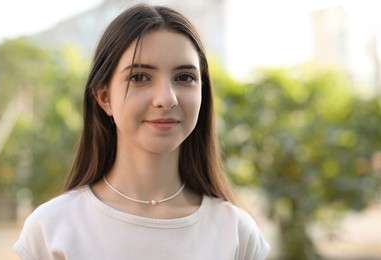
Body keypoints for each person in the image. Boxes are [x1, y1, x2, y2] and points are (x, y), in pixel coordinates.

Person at [14, 3, 270, 260]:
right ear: (104, 97)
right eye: (139, 77)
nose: (166, 99)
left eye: (184, 77)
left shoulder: (236, 234)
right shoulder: (50, 231)